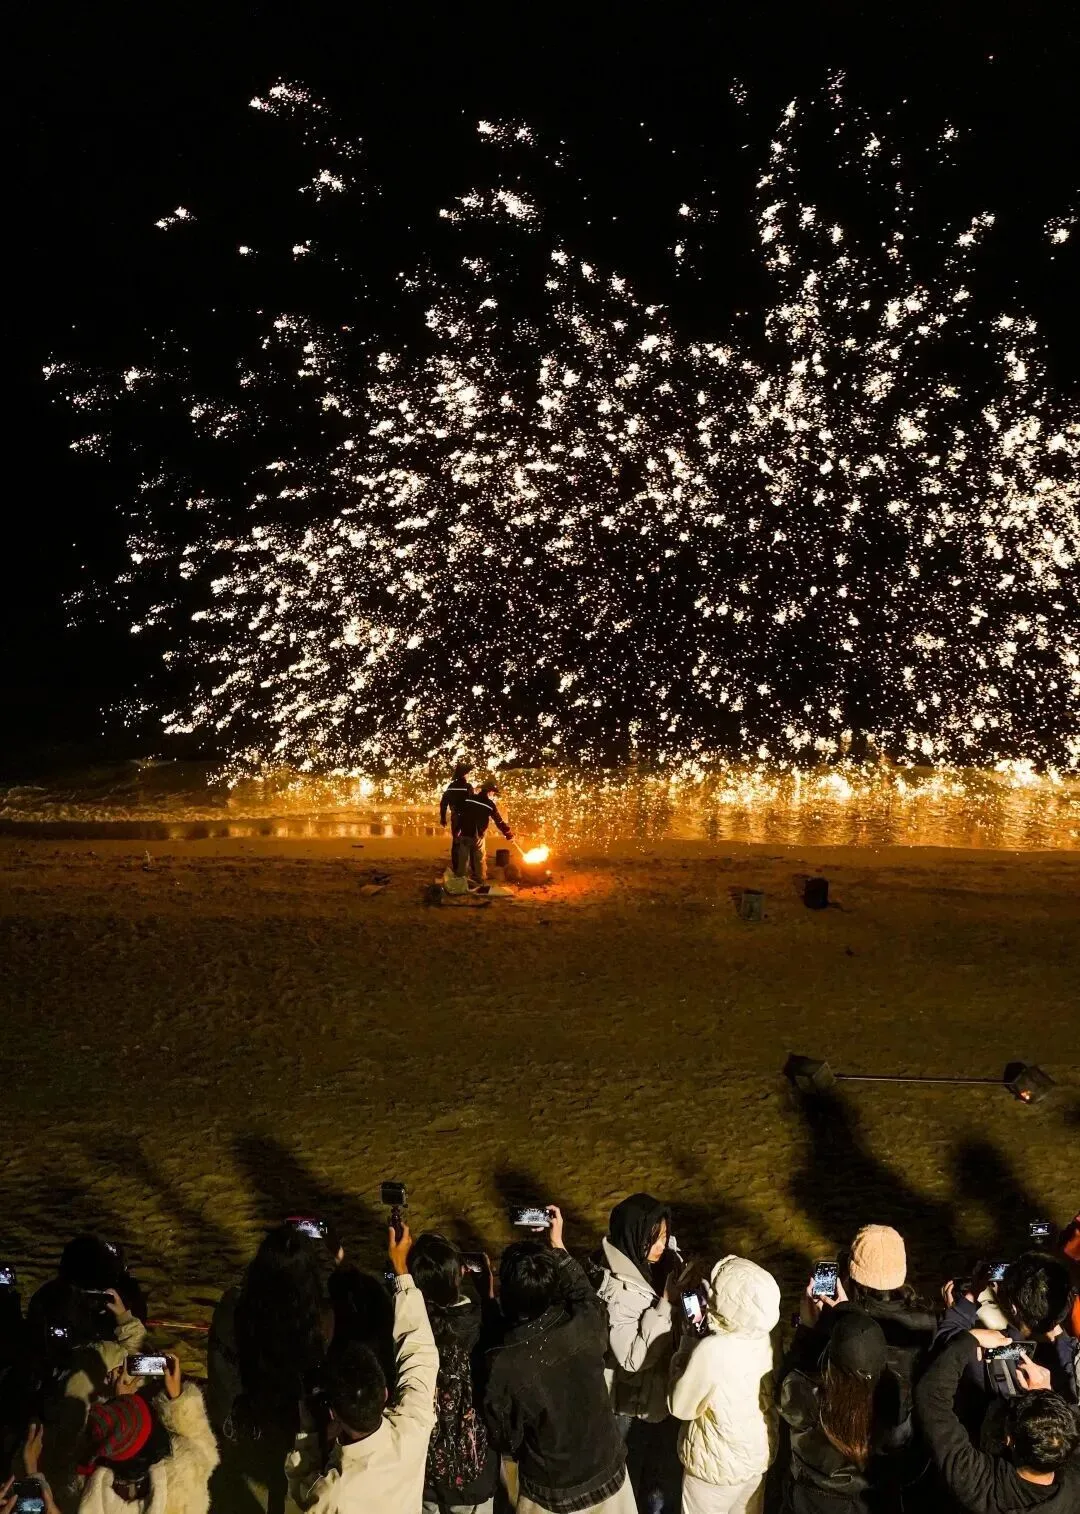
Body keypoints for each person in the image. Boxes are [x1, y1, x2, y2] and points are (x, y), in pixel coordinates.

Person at [485, 1206, 633, 1514]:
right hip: (608, 1472)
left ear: (506, 1296)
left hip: (552, 1493)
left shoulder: (504, 1362)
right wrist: (557, 1245)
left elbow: (504, 1437)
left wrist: (487, 1312)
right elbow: (585, 1295)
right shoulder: (586, 1322)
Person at [284, 1222, 438, 1512]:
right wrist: (401, 1270)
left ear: (333, 1413)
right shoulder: (412, 1429)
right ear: (384, 1393)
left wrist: (309, 1432)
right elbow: (420, 1354)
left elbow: (301, 1491)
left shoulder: (332, 1494)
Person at [207, 1223, 336, 1512]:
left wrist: (232, 1431)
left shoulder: (234, 1307)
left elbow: (222, 1380)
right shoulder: (323, 1319)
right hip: (301, 1435)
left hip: (252, 1431)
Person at [915, 1329, 1080, 1512]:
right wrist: (1045, 1397)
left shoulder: (980, 1486)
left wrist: (971, 1338)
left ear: (1009, 1439)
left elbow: (931, 1399)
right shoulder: (1074, 1487)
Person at [668, 1255, 780, 1514]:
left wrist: (687, 1347)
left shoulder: (712, 1350)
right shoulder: (768, 1335)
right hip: (756, 1459)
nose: (710, 1295)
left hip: (713, 1470)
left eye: (717, 1291)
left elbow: (681, 1407)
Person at [778, 1304, 917, 1514]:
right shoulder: (897, 1400)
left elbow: (789, 1376)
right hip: (870, 1504)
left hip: (813, 1501)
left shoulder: (801, 1391)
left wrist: (810, 1329)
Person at [592, 1194, 681, 1512]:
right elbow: (633, 1360)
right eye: (653, 1239)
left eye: (665, 1236)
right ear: (634, 1238)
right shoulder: (619, 1291)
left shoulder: (651, 1263)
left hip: (653, 1397)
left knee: (653, 1476)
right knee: (628, 1484)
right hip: (629, 1406)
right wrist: (665, 1304)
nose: (662, 1246)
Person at [935, 1252, 1078, 1443]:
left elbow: (949, 1345)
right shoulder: (1073, 1361)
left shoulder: (993, 1354)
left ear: (1014, 1308)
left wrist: (966, 1300)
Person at [407, 1232, 501, 1514]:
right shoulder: (481, 1324)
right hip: (472, 1468)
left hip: (421, 1466)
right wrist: (488, 1297)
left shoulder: (407, 1328)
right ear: (459, 1275)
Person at [73, 1353, 219, 1513]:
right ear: (155, 1441)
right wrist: (177, 1396)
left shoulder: (88, 1495)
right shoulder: (183, 1478)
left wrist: (121, 1410)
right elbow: (203, 1446)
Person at [452, 782, 513, 885]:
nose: (493, 795)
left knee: (463, 858)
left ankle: (460, 880)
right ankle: (479, 880)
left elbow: (460, 814)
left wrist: (457, 830)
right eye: (492, 793)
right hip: (478, 835)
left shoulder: (469, 799)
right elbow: (499, 821)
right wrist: (508, 833)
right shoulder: (489, 804)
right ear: (489, 792)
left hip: (465, 832)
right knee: (479, 858)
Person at [440, 763, 474, 866]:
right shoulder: (468, 787)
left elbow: (443, 803)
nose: (468, 775)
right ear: (463, 775)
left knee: (456, 840)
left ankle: (456, 865)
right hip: (467, 819)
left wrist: (443, 818)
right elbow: (471, 803)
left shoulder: (450, 787)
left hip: (455, 818)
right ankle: (466, 865)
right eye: (467, 773)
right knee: (468, 841)